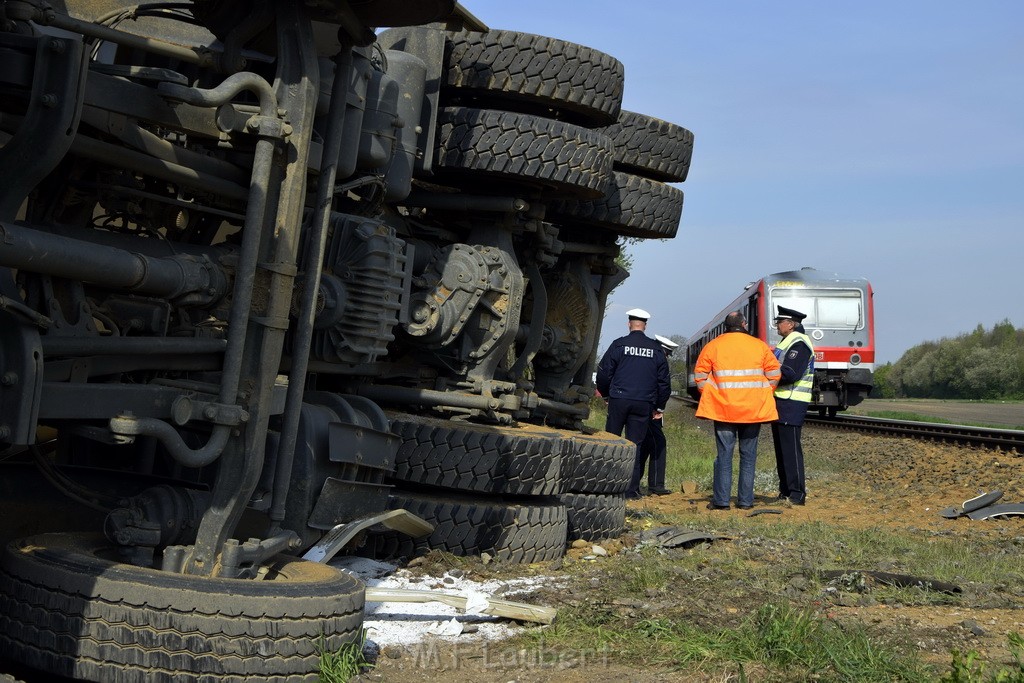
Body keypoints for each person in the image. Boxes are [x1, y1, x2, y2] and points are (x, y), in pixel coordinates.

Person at [694, 311, 781, 510]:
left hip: (723, 410)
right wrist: (764, 391)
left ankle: (722, 501)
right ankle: (745, 501)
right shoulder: (759, 346)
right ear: (744, 324)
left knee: (724, 455)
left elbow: (700, 376)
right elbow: (774, 374)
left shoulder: (713, 345)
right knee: (748, 456)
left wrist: (713, 393)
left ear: (726, 326)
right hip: (752, 410)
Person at [596, 308, 671, 499]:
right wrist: (659, 406)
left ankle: (607, 486)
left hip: (619, 400)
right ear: (645, 325)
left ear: (629, 324)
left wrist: (606, 395)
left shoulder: (618, 345)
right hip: (643, 403)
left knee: (611, 441)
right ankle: (631, 491)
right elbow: (664, 382)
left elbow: (604, 373)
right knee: (635, 446)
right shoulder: (655, 349)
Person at [770, 305, 815, 505]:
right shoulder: (788, 341)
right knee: (782, 450)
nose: (777, 325)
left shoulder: (799, 343)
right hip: (782, 401)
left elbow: (790, 373)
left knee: (790, 450)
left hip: (792, 402)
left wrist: (768, 372)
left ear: (791, 324)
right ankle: (786, 491)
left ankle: (797, 494)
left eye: (779, 322)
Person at [632, 334, 679, 496]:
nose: (667, 356)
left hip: (641, 406)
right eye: (667, 352)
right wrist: (659, 409)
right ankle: (656, 486)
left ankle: (634, 483)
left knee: (644, 445)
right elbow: (662, 386)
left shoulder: (645, 360)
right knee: (659, 443)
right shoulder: (657, 361)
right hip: (650, 410)